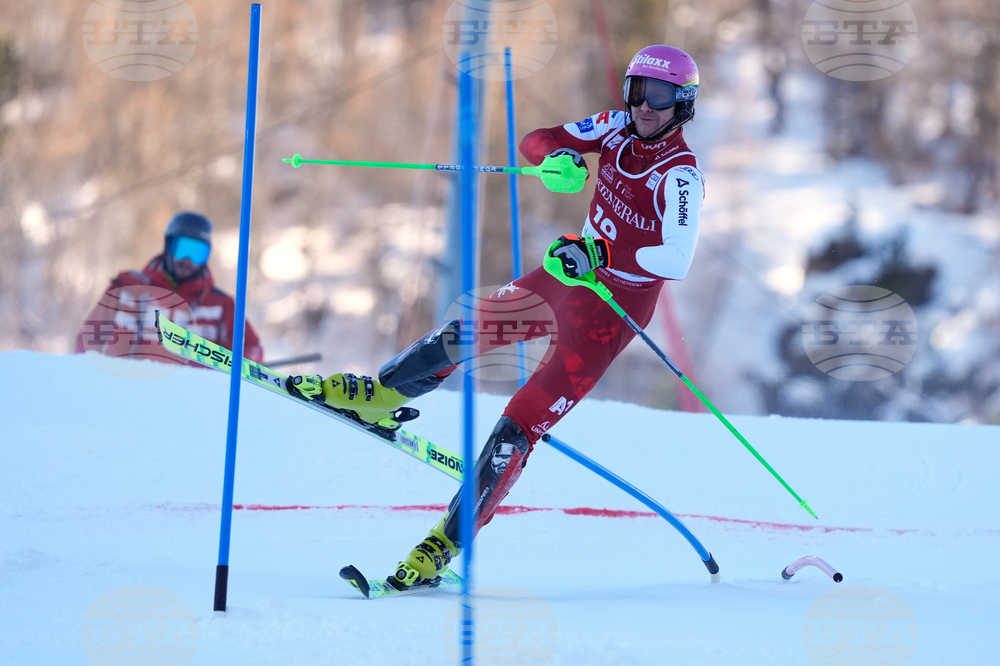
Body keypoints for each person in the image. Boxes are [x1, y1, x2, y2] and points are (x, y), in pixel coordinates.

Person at [290, 45, 705, 590]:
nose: (644, 106)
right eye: (635, 91)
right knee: (470, 329)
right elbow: (536, 141)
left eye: (658, 95)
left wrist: (602, 255)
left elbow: (676, 258)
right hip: (566, 276)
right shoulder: (612, 129)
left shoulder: (681, 175)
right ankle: (383, 395)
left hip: (612, 309)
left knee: (521, 420)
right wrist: (556, 159)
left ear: (683, 103)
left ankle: (445, 542)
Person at [76, 211, 264, 366]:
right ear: (168, 246)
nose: (187, 261)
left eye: (198, 253)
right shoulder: (128, 287)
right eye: (182, 249)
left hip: (188, 401)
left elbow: (252, 347)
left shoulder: (220, 305)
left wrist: (245, 362)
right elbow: (88, 338)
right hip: (127, 391)